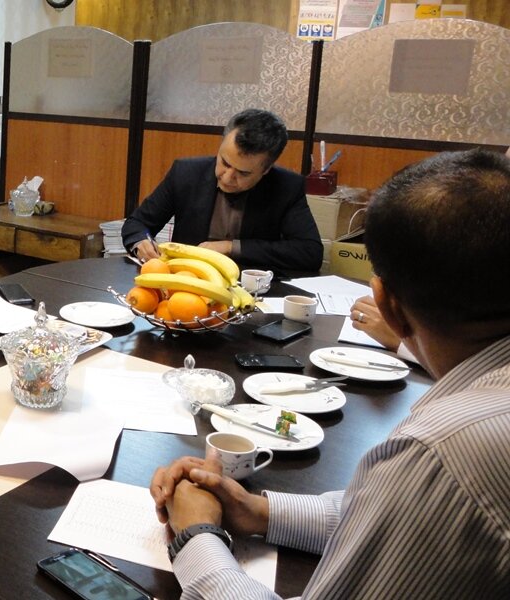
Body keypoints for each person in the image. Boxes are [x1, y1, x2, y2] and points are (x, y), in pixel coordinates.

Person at [150, 148, 510, 599]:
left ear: (386, 303)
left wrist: (196, 536)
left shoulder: (441, 454)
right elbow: (398, 515)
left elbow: (423, 497)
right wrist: (258, 511)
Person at [121, 109, 323, 274]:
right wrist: (140, 241)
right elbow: (137, 223)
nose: (227, 177)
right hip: (185, 281)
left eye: (243, 173)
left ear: (266, 170)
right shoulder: (185, 173)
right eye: (224, 162)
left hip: (251, 289)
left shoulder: (286, 186)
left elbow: (310, 252)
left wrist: (231, 247)